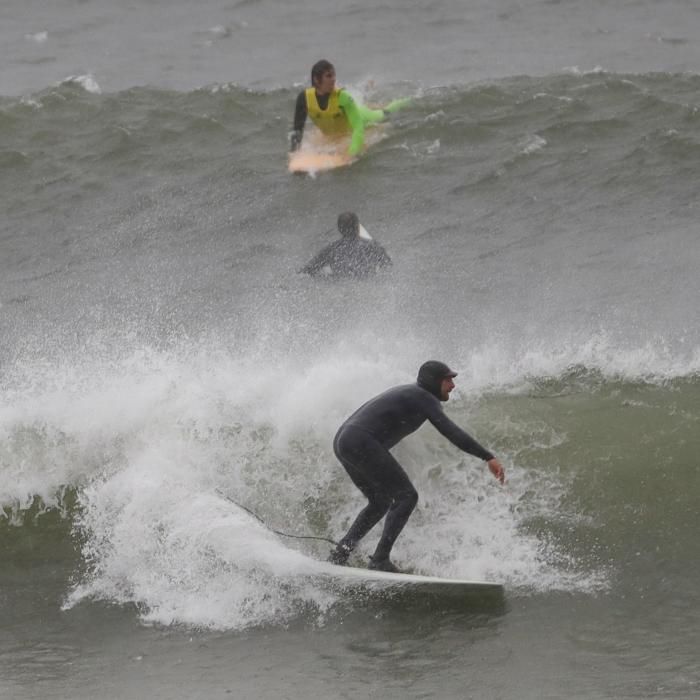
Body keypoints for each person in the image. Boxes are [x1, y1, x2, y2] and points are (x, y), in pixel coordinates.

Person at [327, 361, 505, 573]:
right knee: (406, 496)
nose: (452, 385)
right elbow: (450, 431)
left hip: (344, 440)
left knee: (380, 501)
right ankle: (380, 559)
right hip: (360, 440)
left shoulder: (412, 393)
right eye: (448, 380)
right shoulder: (423, 397)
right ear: (433, 381)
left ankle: (340, 554)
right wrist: (487, 457)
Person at [290, 59, 410, 157]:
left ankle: (404, 101)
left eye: (334, 75)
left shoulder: (343, 98)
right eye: (329, 76)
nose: (334, 79)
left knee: (385, 113)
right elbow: (297, 130)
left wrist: (350, 154)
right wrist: (295, 154)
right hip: (339, 127)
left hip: (363, 117)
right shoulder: (304, 98)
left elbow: (358, 128)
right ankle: (368, 93)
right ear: (316, 79)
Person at [299, 212, 392, 278]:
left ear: (339, 229)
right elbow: (388, 266)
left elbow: (307, 271)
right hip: (367, 284)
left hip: (341, 285)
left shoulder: (331, 249)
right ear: (358, 227)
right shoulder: (372, 245)